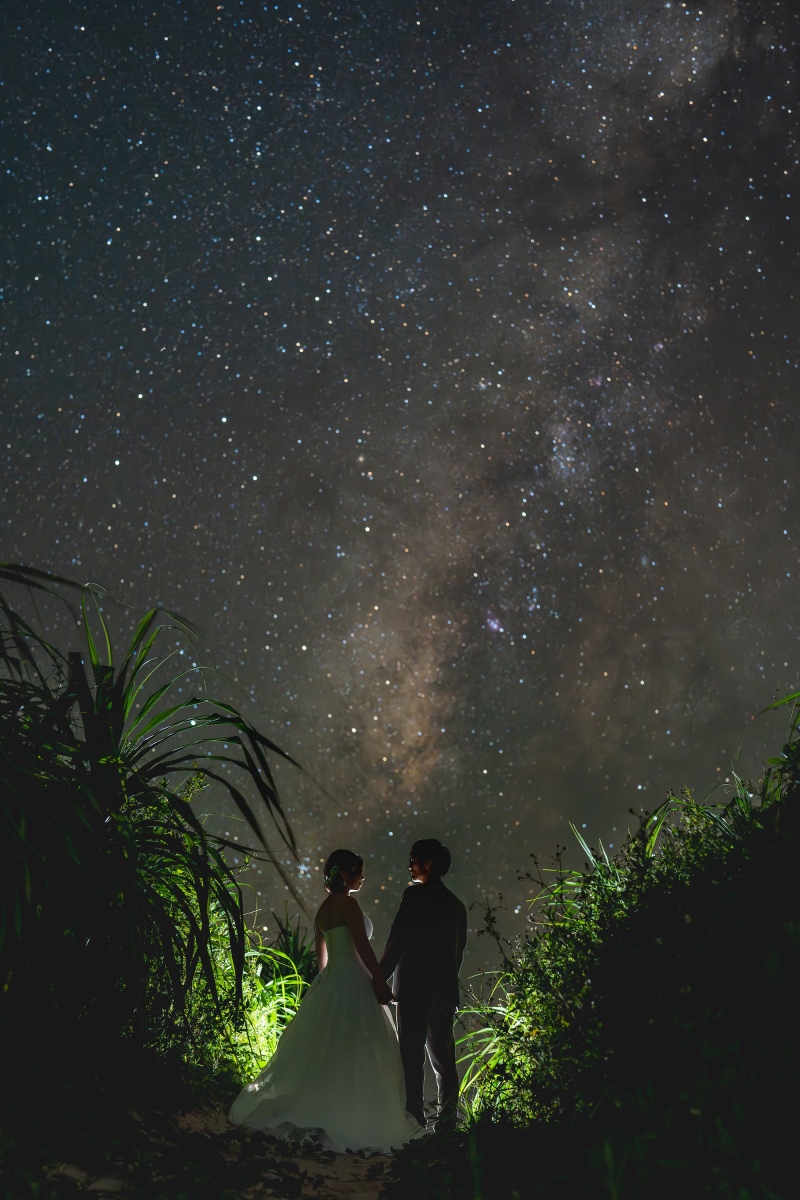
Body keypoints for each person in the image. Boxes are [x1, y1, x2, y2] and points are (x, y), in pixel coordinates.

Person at [229, 849, 422, 1152]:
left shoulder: (322, 910)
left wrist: (330, 984)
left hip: (332, 979)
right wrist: (378, 981)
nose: (363, 876)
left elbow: (322, 961)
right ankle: (356, 1114)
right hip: (354, 979)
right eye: (359, 871)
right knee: (361, 1045)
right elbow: (361, 945)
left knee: (329, 1046)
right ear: (345, 874)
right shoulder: (349, 903)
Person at [380, 839, 468, 1128]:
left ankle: (414, 1121)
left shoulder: (415, 896)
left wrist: (379, 978)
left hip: (414, 990)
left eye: (413, 859)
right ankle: (447, 1124)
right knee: (445, 1062)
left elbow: (399, 939)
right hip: (444, 992)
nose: (409, 865)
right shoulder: (456, 906)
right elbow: (459, 952)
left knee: (411, 1057)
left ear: (427, 864)